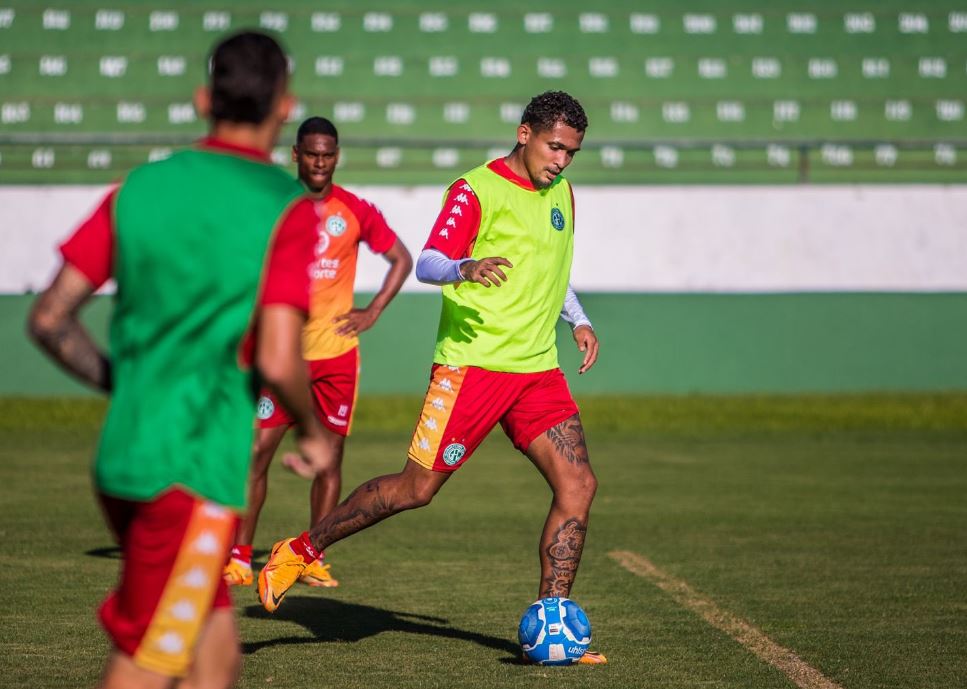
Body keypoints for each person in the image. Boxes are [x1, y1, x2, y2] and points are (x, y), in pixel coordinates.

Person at [255, 91, 606, 664]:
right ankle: (301, 548)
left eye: (571, 153)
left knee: (579, 486)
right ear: (524, 133)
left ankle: (554, 626)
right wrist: (467, 266)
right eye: (554, 147)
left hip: (537, 370)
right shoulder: (475, 190)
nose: (562, 161)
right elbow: (428, 262)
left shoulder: (561, 193)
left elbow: (551, 267)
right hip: (471, 367)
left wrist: (580, 320)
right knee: (415, 490)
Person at [27, 31, 329, 689]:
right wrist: (313, 431)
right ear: (285, 107)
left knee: (213, 655)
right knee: (146, 663)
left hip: (125, 458)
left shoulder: (139, 188)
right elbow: (279, 357)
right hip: (190, 470)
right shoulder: (283, 207)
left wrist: (125, 381)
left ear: (202, 100)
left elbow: (49, 319)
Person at [222, 116, 412, 589]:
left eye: (328, 155)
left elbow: (401, 259)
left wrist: (374, 310)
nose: (320, 163)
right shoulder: (273, 205)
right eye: (311, 154)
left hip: (336, 356)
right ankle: (239, 556)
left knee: (330, 458)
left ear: (337, 155)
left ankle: (310, 557)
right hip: (281, 353)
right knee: (257, 452)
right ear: (296, 154)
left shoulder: (354, 209)